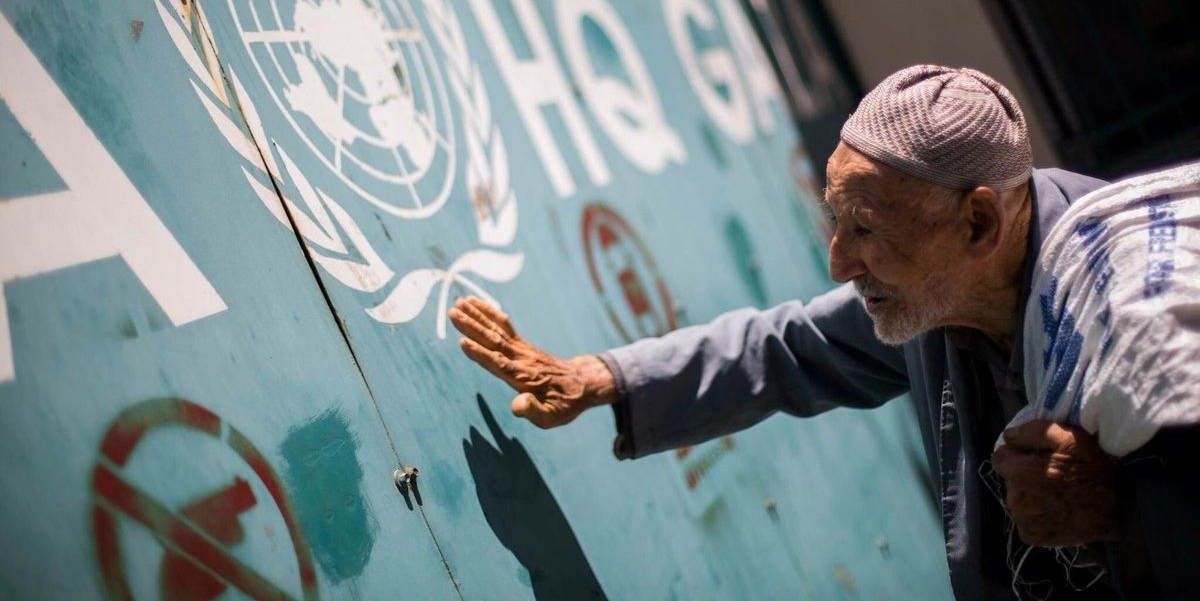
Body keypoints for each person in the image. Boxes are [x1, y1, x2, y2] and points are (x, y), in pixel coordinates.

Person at [448, 65, 1197, 599]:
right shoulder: (947, 287)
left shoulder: (1134, 306)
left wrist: (1120, 509)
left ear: (978, 222)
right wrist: (603, 378)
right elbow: (790, 349)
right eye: (834, 221)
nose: (839, 262)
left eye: (865, 228)